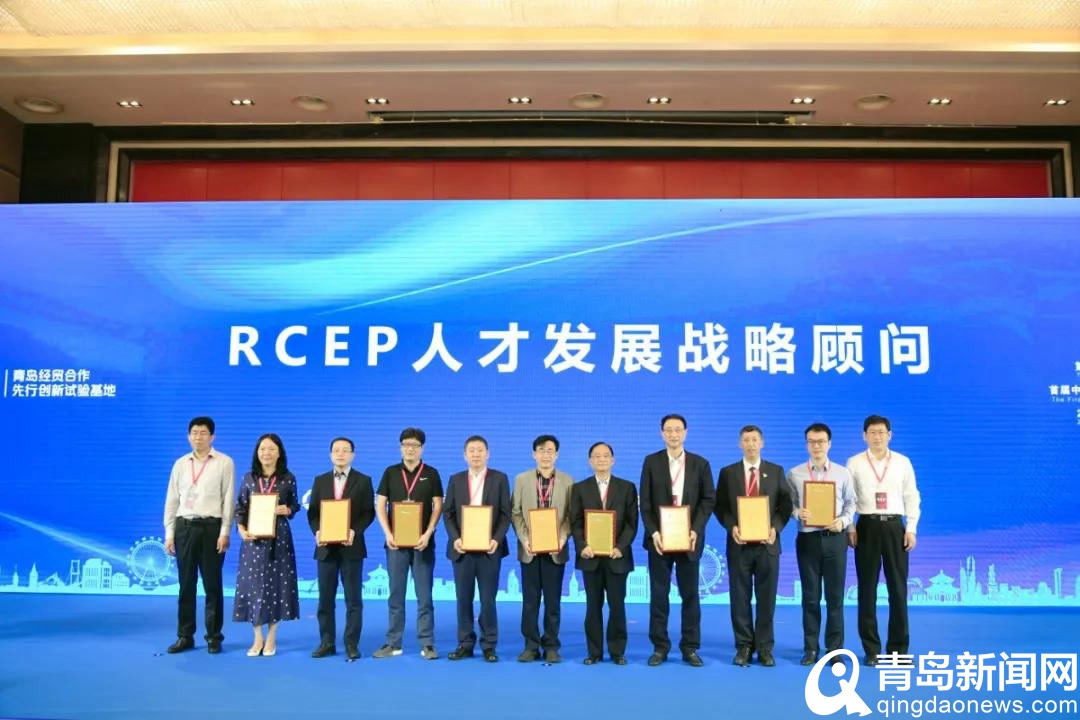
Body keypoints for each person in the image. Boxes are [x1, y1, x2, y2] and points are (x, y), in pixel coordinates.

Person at [639, 413, 716, 667]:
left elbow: (708, 500)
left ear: (686, 433)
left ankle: (690, 647)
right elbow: (645, 503)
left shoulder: (700, 464)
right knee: (659, 595)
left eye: (678, 429)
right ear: (662, 433)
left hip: (688, 540)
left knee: (690, 595)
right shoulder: (651, 462)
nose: (673, 434)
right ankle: (660, 647)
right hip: (660, 541)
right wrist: (654, 532)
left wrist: (696, 529)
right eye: (669, 430)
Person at [846, 415, 921, 666]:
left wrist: (911, 528)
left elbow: (912, 496)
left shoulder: (902, 462)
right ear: (864, 436)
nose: (877, 437)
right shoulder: (854, 462)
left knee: (898, 590)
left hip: (894, 527)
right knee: (866, 590)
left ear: (890, 435)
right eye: (872, 432)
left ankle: (898, 650)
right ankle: (871, 650)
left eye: (881, 432)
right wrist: (850, 526)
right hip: (866, 526)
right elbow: (849, 498)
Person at [715, 425, 792, 667]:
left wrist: (775, 529)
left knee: (766, 598)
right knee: (740, 597)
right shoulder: (728, 473)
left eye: (754, 440)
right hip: (739, 545)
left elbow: (785, 506)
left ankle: (765, 647)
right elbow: (720, 506)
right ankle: (744, 646)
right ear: (740, 444)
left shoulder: (776, 471)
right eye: (746, 440)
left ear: (762, 443)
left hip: (768, 545)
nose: (750, 444)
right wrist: (731, 527)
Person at [163, 416, 235, 654]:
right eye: (194, 433)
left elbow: (228, 500)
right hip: (184, 528)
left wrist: (225, 531)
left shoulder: (224, 462)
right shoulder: (180, 464)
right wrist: (169, 533)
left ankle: (214, 637)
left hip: (211, 529)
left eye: (203, 433)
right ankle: (185, 636)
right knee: (186, 586)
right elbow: (172, 500)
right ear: (188, 436)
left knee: (213, 585)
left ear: (212, 436)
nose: (198, 437)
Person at [785, 423, 855, 666]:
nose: (817, 446)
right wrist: (797, 513)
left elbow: (851, 503)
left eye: (821, 441)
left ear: (829, 444)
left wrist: (843, 521)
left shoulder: (843, 473)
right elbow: (788, 504)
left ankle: (835, 650)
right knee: (810, 597)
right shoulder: (794, 474)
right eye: (812, 442)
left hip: (835, 538)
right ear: (807, 444)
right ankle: (811, 648)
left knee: (835, 598)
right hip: (808, 540)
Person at [372, 427, 444, 661]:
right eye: (406, 445)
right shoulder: (390, 472)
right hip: (396, 544)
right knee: (395, 595)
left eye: (414, 445)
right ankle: (393, 643)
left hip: (423, 543)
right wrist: (387, 533)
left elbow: (438, 506)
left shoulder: (431, 473)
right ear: (400, 447)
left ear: (422, 448)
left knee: (425, 597)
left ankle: (427, 643)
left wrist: (428, 533)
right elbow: (380, 504)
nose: (410, 449)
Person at [442, 435, 511, 662]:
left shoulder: (499, 478)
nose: (476, 454)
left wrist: (496, 539)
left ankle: (489, 645)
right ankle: (465, 643)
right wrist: (455, 538)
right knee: (463, 599)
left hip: (489, 549)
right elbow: (448, 512)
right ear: (464, 455)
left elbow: (505, 513)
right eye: (471, 450)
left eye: (480, 450)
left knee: (488, 599)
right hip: (462, 549)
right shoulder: (456, 479)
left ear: (487, 454)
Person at [307, 437, 375, 662]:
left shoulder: (363, 481)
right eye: (336, 450)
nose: (340, 454)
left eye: (345, 450)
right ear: (330, 454)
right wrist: (317, 531)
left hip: (351, 548)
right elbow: (313, 513)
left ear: (352, 455)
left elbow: (368, 512)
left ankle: (351, 644)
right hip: (326, 549)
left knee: (353, 600)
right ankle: (326, 642)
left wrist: (355, 531)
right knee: (325, 599)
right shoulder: (320, 480)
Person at [570, 442, 638, 666]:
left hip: (617, 557)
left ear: (613, 460)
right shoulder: (579, 488)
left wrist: (621, 547)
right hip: (590, 558)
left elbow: (632, 523)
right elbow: (575, 522)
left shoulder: (627, 487)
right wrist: (582, 546)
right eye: (597, 456)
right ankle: (594, 652)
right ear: (590, 461)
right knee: (593, 606)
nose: (601, 459)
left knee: (617, 606)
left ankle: (617, 651)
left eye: (606, 456)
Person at [233, 433, 301, 657]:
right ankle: (257, 637)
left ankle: (271, 636)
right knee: (253, 587)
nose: (267, 453)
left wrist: (287, 509)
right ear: (257, 452)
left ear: (279, 453)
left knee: (278, 586)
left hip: (279, 539)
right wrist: (241, 530)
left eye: (271, 449)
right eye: (262, 449)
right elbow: (240, 508)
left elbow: (295, 505)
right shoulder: (248, 478)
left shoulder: (288, 478)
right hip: (253, 540)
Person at [510, 434, 573, 663]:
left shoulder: (568, 481)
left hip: (556, 550)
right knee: (530, 601)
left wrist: (562, 538)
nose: (545, 455)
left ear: (556, 455)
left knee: (553, 601)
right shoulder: (521, 479)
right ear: (534, 454)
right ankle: (530, 645)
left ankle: (551, 645)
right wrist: (524, 538)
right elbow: (515, 513)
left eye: (550, 451)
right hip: (529, 549)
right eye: (541, 450)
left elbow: (570, 516)